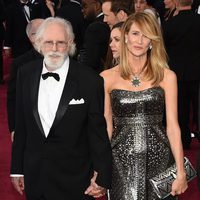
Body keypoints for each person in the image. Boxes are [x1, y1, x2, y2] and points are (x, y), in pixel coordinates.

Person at [10, 17, 112, 200]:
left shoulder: (90, 80)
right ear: (38, 43)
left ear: (71, 43)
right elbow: (21, 125)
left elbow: (97, 132)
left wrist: (103, 175)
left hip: (76, 180)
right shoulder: (25, 73)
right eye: (49, 42)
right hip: (36, 178)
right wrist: (17, 169)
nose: (55, 49)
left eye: (61, 43)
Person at [100, 12, 187, 199]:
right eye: (135, 33)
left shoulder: (167, 77)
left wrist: (180, 171)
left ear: (153, 41)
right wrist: (98, 167)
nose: (140, 40)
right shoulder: (107, 78)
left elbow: (172, 126)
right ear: (125, 37)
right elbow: (106, 127)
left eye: (146, 35)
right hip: (120, 161)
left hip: (161, 158)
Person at [162, 0, 200, 149]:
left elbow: (163, 52)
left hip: (176, 75)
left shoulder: (169, 25)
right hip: (197, 74)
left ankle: (184, 142)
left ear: (177, 2)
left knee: (180, 112)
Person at [7, 18, 44, 142]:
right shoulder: (20, 63)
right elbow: (13, 96)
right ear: (32, 37)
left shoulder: (62, 59)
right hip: (29, 124)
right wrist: (13, 128)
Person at [80, 0, 110, 73]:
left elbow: (91, 61)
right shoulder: (105, 23)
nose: (82, 10)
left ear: (96, 6)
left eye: (85, 6)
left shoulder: (95, 27)